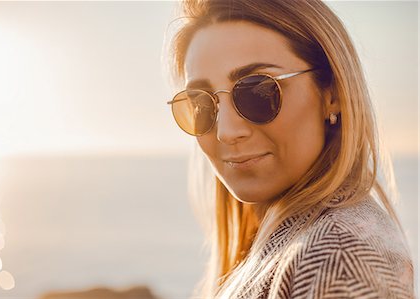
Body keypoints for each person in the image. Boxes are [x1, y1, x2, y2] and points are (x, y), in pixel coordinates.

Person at [165, 0, 415, 298]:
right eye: (201, 103)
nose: (227, 132)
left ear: (331, 93)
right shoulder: (296, 243)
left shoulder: (338, 256)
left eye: (259, 91)